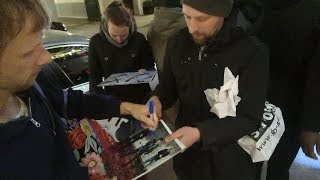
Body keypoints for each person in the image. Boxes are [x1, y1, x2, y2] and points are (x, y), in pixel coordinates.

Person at [0, 0, 155, 179]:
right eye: (28, 52)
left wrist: (129, 107)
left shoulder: (35, 85)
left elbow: (70, 101)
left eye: (40, 43)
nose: (47, 58)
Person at [147, 0, 270, 179]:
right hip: (188, 157)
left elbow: (250, 118)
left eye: (201, 19)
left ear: (223, 14)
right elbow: (168, 88)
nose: (192, 28)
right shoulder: (177, 43)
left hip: (230, 158)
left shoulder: (252, 52)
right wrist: (156, 99)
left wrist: (200, 133)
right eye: (187, 17)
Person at [257, 0, 320, 179]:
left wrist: (311, 125)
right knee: (251, 166)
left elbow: (317, 76)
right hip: (256, 100)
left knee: (277, 168)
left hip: (292, 108)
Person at [89, 0, 155, 104]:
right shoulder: (96, 42)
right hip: (113, 101)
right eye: (114, 35)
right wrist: (98, 103)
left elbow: (150, 67)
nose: (119, 40)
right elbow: (94, 78)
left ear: (131, 27)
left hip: (140, 97)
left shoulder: (139, 39)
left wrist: (146, 72)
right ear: (106, 26)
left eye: (124, 35)